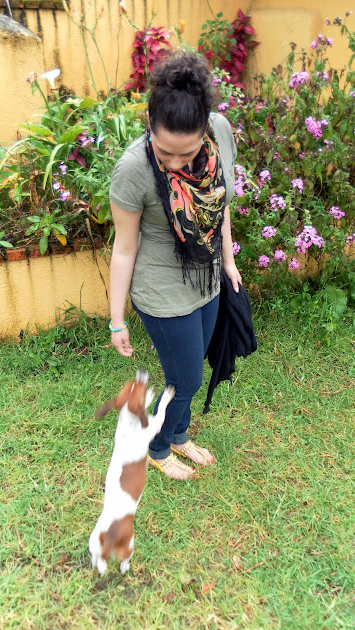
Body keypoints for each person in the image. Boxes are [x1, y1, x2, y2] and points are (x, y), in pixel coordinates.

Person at [108, 50, 241, 480]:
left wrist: (228, 259)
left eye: (188, 152)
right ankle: (158, 446)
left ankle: (179, 435)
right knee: (185, 380)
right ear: (150, 124)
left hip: (207, 278)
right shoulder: (133, 170)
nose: (177, 164)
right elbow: (124, 248)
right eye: (166, 153)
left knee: (191, 368)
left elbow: (220, 202)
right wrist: (116, 320)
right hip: (161, 290)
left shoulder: (220, 133)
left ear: (205, 128)